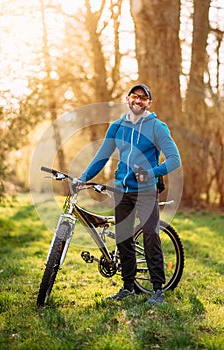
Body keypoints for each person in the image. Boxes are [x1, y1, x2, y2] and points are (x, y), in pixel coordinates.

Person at [76, 84, 181, 305]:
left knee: (151, 235)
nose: (138, 100)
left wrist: (151, 173)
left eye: (143, 98)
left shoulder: (157, 127)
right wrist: (83, 178)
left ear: (149, 103)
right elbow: (102, 156)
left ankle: (157, 290)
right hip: (121, 192)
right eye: (135, 96)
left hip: (145, 192)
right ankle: (128, 287)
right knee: (123, 239)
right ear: (127, 99)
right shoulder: (117, 126)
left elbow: (174, 159)